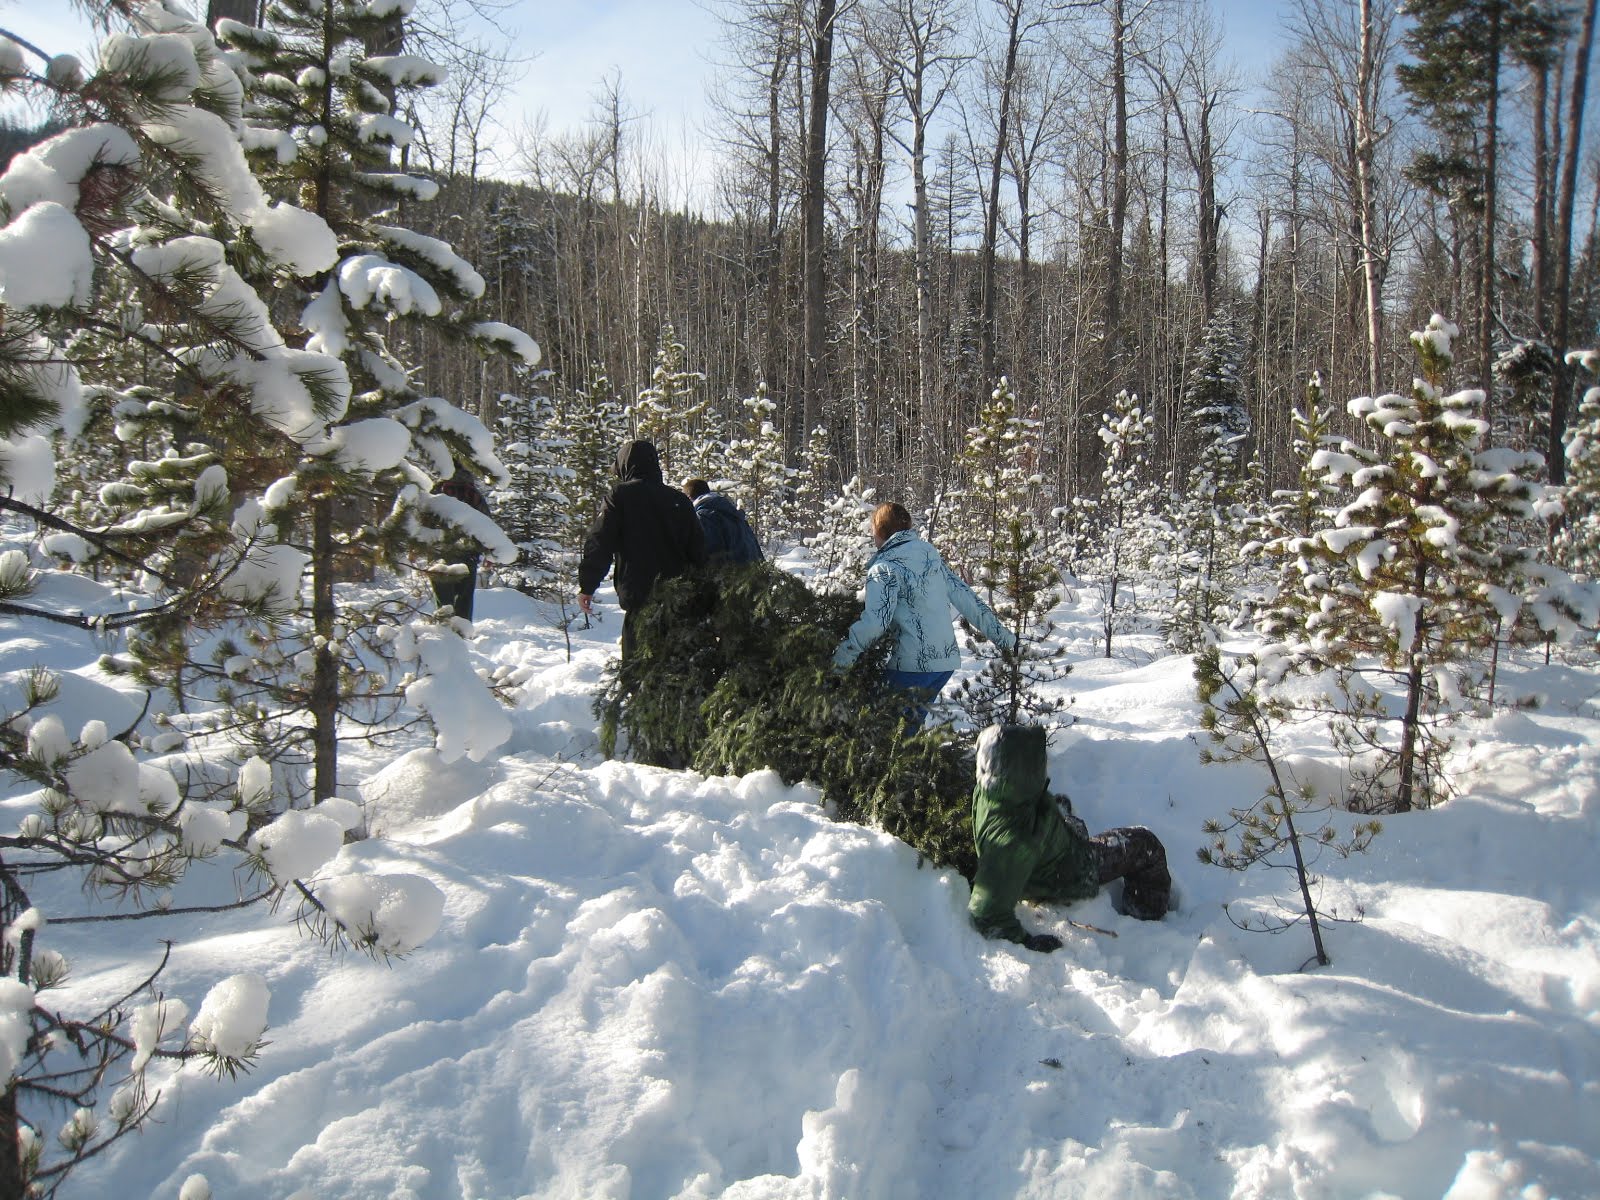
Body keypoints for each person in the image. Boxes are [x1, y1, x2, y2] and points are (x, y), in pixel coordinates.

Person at [967, 723, 1171, 952]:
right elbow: (986, 912)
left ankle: (1065, 821)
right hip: (1072, 871)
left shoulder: (990, 790)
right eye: (1037, 762)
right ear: (1025, 773)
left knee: (1068, 817)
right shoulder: (1013, 841)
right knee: (1145, 844)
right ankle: (1146, 911)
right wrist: (1026, 941)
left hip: (1050, 846)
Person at [831, 501, 1016, 722]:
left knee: (882, 728)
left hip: (911, 665)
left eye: (873, 531)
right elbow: (966, 598)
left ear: (880, 531)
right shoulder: (929, 557)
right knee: (905, 729)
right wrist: (1004, 637)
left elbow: (876, 623)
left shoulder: (884, 568)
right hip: (944, 664)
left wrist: (840, 662)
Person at [578, 440, 707, 659]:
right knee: (675, 668)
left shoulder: (620, 496)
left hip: (639, 598)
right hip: (678, 601)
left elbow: (600, 542)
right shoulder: (679, 500)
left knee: (637, 669)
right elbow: (699, 551)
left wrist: (587, 585)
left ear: (625, 466)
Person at [430, 463, 491, 621]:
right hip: (468, 554)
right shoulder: (473, 494)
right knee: (464, 600)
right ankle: (462, 630)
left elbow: (423, 519)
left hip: (439, 553)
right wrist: (489, 552)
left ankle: (443, 628)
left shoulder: (436, 491)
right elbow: (486, 525)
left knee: (443, 601)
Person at [683, 478, 763, 565]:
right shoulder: (734, 515)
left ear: (689, 498)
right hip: (751, 570)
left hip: (729, 571)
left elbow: (708, 554)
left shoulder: (702, 518)